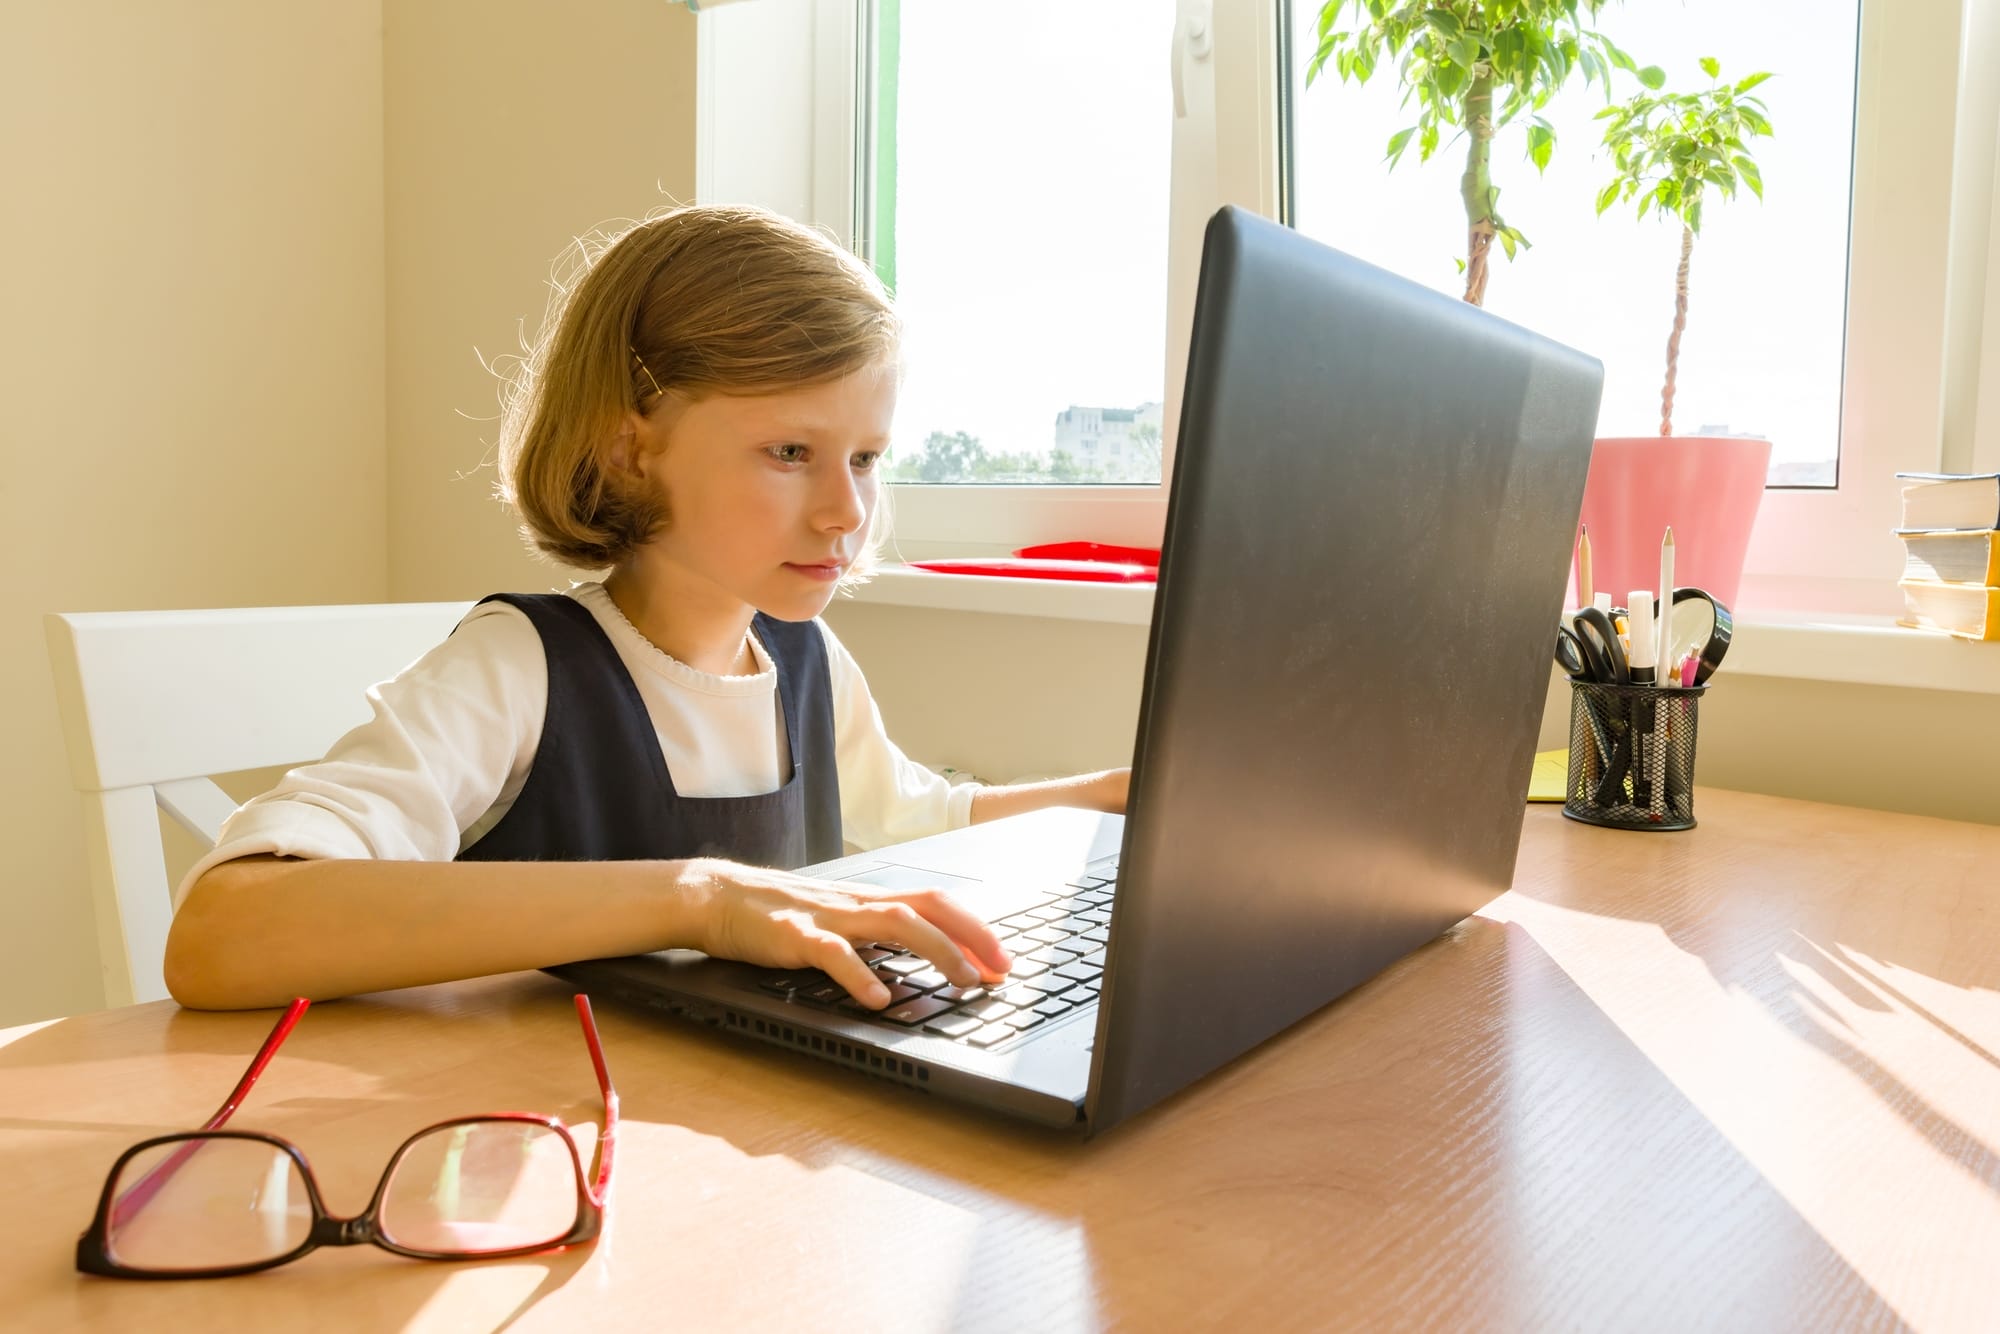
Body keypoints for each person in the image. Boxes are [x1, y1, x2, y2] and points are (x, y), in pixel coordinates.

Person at [165, 203, 1129, 1012]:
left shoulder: (807, 661)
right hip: (538, 1161)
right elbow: (223, 932)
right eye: (790, 452)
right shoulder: (519, 670)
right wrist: (699, 898)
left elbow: (923, 816)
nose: (847, 510)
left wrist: (1123, 790)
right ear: (631, 449)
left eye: (865, 459)